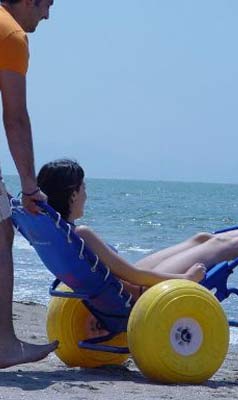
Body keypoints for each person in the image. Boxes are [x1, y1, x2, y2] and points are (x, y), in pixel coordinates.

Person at [37, 159, 238, 299]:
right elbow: (133, 274)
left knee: (202, 238)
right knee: (217, 248)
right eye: (84, 187)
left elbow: (124, 272)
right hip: (134, 290)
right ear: (73, 194)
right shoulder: (81, 233)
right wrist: (185, 277)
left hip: (118, 287)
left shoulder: (60, 232)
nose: (87, 193)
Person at [0, 0, 57, 369]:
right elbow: (15, 116)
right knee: (1, 234)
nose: (47, 15)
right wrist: (29, 185)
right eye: (46, 4)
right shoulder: (10, 34)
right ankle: (3, 344)